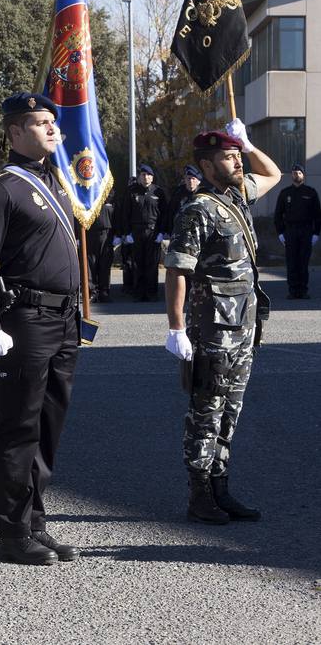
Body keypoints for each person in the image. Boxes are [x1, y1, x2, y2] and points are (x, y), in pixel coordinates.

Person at [0, 93, 82, 566]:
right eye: (40, 123)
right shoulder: (3, 188)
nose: (52, 129)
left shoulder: (55, 181)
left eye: (53, 122)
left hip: (64, 320)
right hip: (25, 321)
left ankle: (35, 522)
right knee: (18, 428)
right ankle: (12, 534)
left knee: (48, 428)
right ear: (15, 132)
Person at [163, 123, 280, 523]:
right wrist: (176, 328)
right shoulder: (198, 209)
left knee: (231, 411)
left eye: (237, 156)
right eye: (228, 157)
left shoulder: (237, 195)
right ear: (206, 164)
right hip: (212, 330)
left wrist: (248, 144)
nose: (236, 162)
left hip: (244, 326)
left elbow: (273, 174)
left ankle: (220, 487)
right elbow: (178, 270)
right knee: (206, 411)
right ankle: (199, 495)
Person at [119, 164, 167, 301]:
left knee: (152, 264)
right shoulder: (132, 191)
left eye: (148, 175)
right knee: (137, 263)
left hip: (153, 232)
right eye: (143, 175)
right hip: (136, 232)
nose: (146, 177)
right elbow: (125, 213)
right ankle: (138, 292)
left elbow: (164, 214)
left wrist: (162, 232)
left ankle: (152, 293)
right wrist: (127, 233)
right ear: (139, 177)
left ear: (152, 177)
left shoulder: (158, 192)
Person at [272, 162, 320, 299]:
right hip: (290, 231)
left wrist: (316, 233)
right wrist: (280, 233)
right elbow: (278, 215)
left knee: (303, 262)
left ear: (303, 175)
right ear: (291, 175)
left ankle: (303, 291)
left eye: (299, 173)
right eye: (294, 173)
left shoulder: (310, 193)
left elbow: (317, 215)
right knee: (292, 262)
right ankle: (293, 291)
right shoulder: (285, 193)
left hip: (306, 231)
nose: (296, 175)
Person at [86, 200, 115, 303]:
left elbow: (117, 214)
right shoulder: (87, 192)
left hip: (106, 232)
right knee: (90, 264)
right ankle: (91, 291)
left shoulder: (108, 191)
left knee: (105, 263)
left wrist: (119, 234)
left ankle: (104, 292)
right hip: (89, 231)